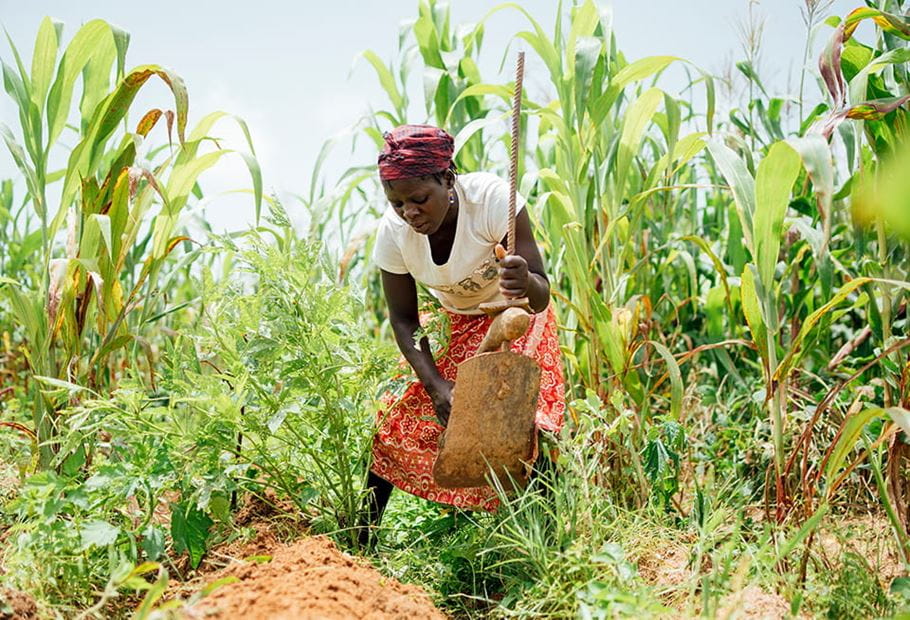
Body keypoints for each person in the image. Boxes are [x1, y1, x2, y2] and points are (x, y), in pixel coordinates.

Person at [359, 124, 565, 544]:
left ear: (448, 179)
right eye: (397, 203)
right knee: (393, 422)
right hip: (453, 318)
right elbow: (404, 320)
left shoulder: (492, 201)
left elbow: (541, 295)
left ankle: (546, 544)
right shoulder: (394, 233)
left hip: (515, 314)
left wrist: (523, 280)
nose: (410, 212)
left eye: (420, 199)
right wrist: (436, 386)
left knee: (522, 425)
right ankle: (359, 542)